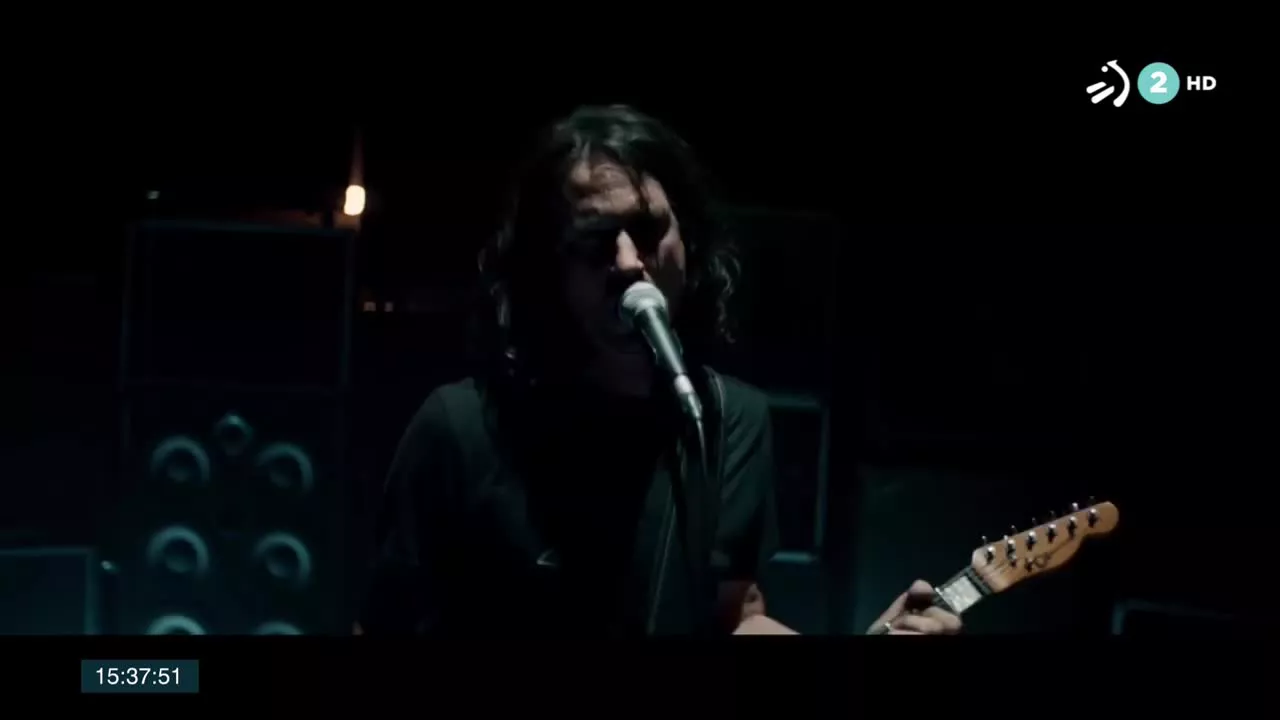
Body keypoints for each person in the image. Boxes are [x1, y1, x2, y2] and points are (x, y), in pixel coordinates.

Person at [358, 105, 962, 636]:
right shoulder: (461, 427)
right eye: (595, 240)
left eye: (648, 231)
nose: (628, 262)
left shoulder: (727, 419)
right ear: (549, 268)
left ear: (688, 239)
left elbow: (734, 616)